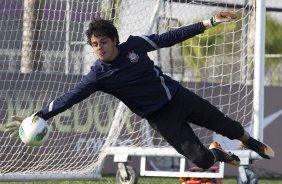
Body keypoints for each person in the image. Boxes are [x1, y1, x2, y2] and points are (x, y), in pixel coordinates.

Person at [5, 12, 274, 169]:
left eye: (104, 42)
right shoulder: (98, 76)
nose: (99, 47)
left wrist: (208, 23)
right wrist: (41, 115)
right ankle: (218, 153)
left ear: (115, 41)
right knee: (203, 161)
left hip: (178, 97)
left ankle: (250, 142)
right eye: (94, 44)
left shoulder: (135, 45)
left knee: (227, 125)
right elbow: (70, 98)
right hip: (160, 119)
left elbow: (170, 37)